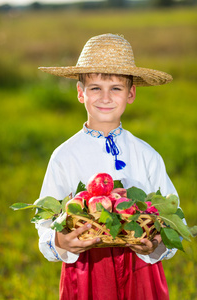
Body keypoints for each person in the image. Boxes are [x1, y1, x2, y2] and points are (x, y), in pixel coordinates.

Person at [37, 33, 178, 300]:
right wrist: (59, 241)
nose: (105, 97)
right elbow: (46, 218)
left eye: (116, 88)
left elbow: (172, 212)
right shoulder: (64, 155)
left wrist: (156, 243)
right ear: (80, 93)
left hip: (139, 265)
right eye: (95, 88)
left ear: (131, 94)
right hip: (87, 267)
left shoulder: (147, 155)